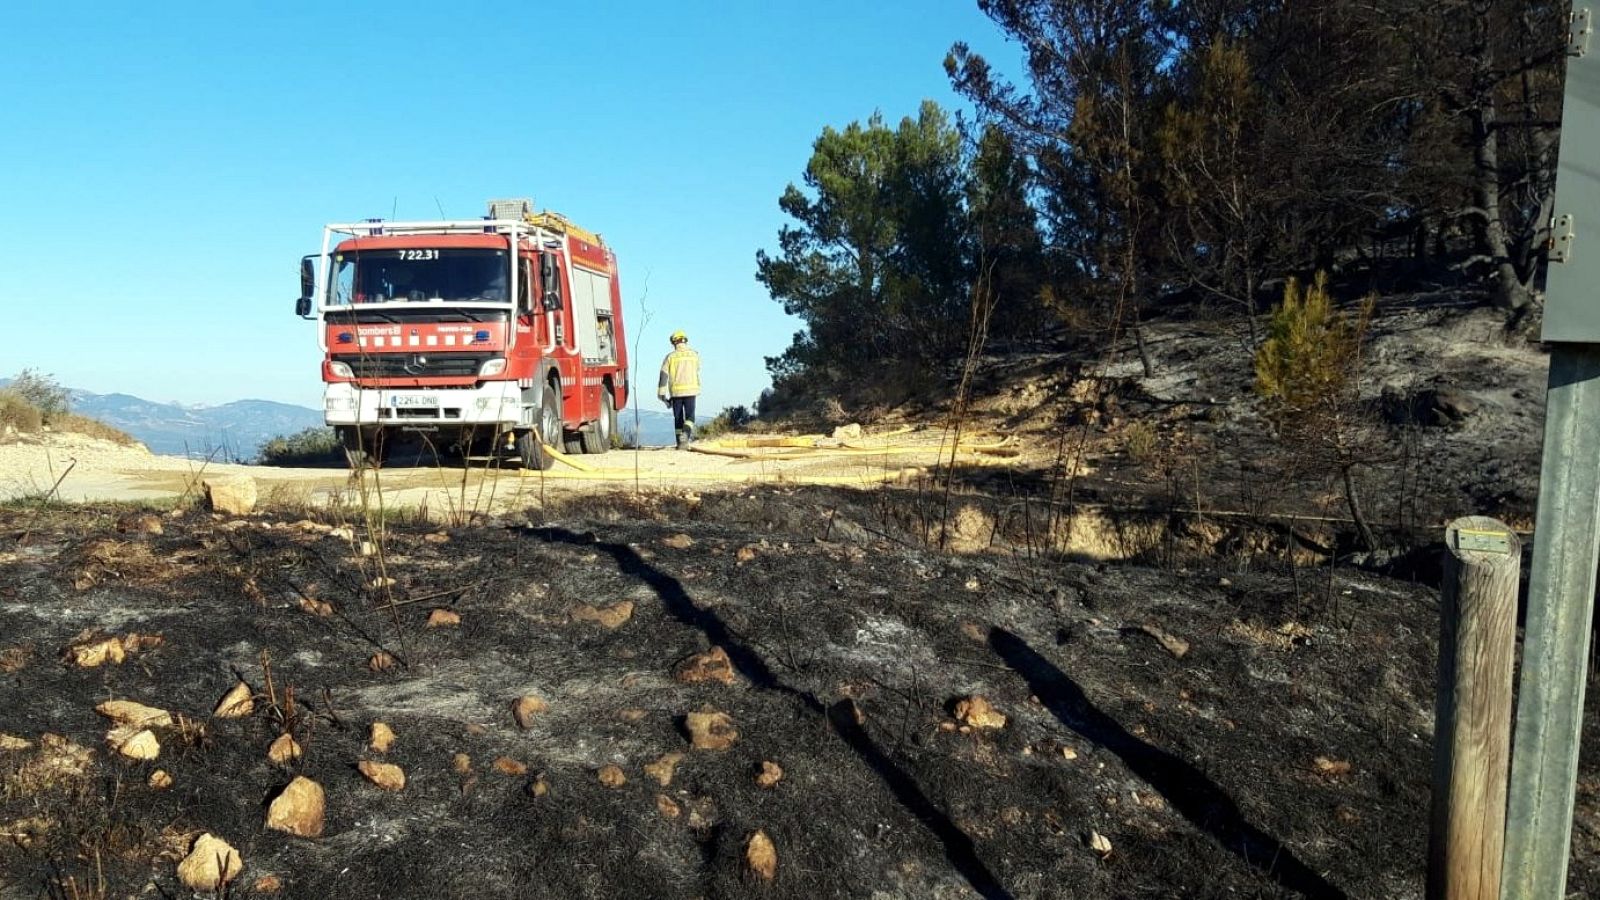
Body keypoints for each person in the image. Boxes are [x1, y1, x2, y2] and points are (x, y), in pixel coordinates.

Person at [658, 330, 701, 448]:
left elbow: (663, 376)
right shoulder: (695, 354)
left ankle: (679, 442)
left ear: (674, 342)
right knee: (690, 417)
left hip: (676, 393)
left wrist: (661, 394)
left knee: (678, 418)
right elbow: (698, 368)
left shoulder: (670, 357)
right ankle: (685, 436)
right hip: (691, 391)